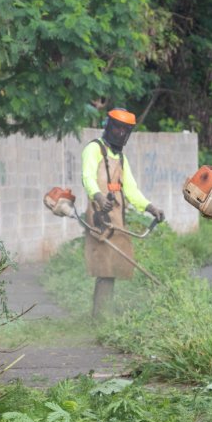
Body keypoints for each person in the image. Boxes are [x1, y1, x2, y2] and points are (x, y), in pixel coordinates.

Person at [81, 108, 164, 320]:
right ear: (108, 126)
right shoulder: (94, 149)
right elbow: (87, 177)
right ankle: (99, 318)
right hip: (99, 217)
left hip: (118, 216)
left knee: (114, 267)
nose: (120, 133)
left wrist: (150, 207)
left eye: (125, 130)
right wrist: (98, 197)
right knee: (104, 268)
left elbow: (131, 190)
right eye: (117, 128)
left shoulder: (121, 157)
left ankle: (104, 315)